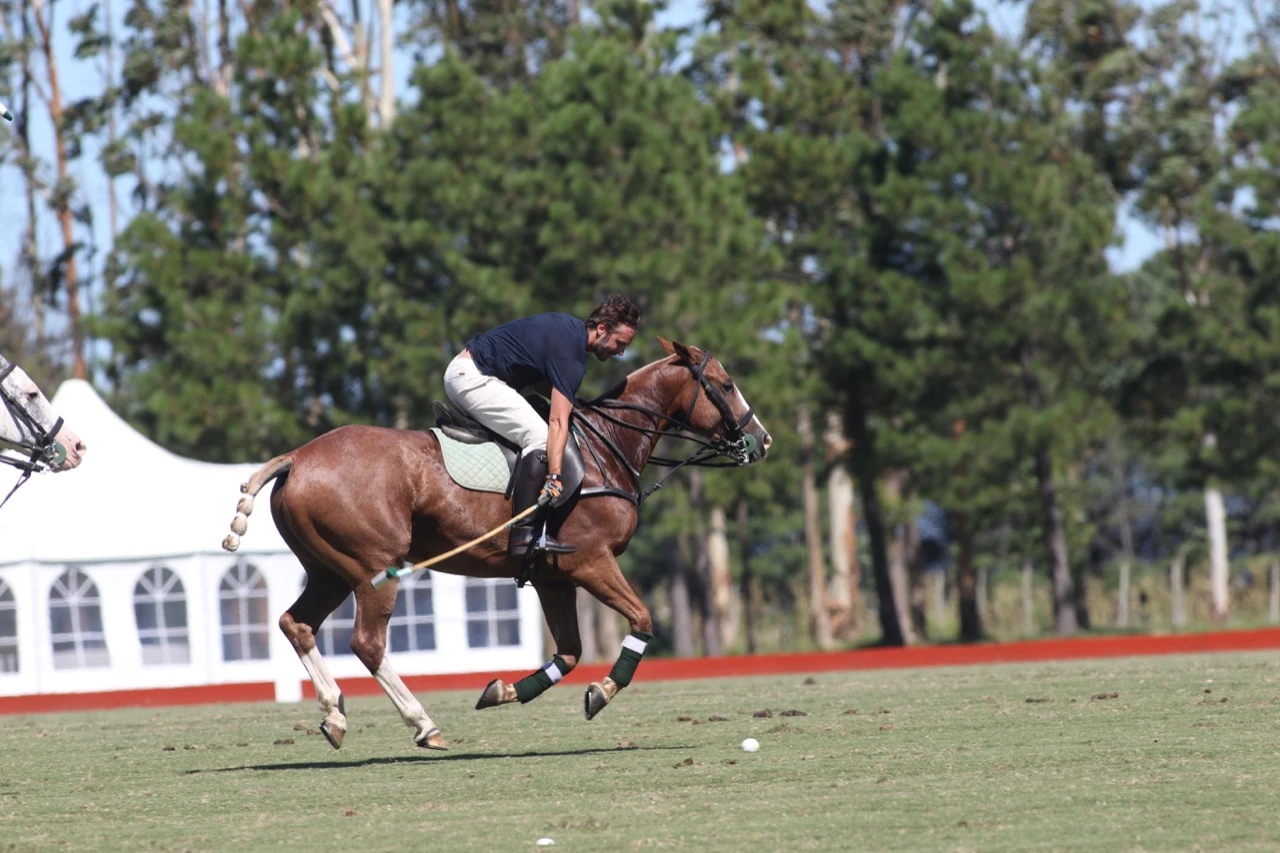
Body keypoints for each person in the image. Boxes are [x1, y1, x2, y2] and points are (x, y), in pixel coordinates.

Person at [443, 295, 640, 555]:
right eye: (620, 343)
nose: (620, 352)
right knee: (539, 437)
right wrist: (555, 476)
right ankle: (524, 534)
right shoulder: (571, 357)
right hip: (472, 378)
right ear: (602, 329)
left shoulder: (567, 330)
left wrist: (572, 403)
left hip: (468, 372)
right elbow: (557, 422)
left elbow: (537, 381)